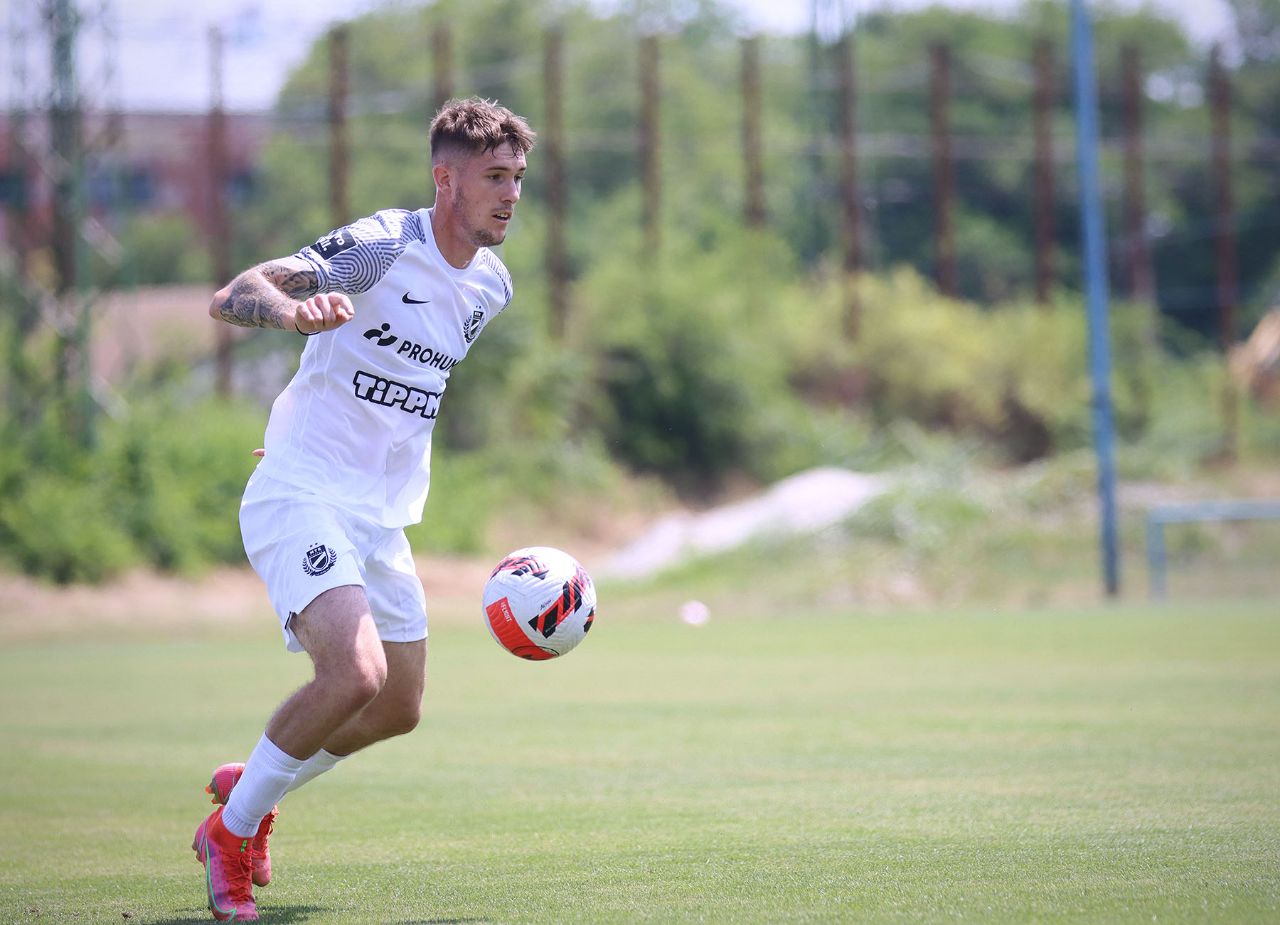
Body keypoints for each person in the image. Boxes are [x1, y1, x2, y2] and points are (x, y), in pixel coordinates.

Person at [192, 97, 535, 922]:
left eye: (518, 178)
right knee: (355, 673)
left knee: (397, 707)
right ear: (444, 179)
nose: (511, 195)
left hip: (380, 518)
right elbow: (237, 291)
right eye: (494, 177)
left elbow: (397, 392)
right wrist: (293, 310)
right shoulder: (382, 247)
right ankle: (229, 836)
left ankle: (256, 783)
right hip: (303, 493)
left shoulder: (491, 286)